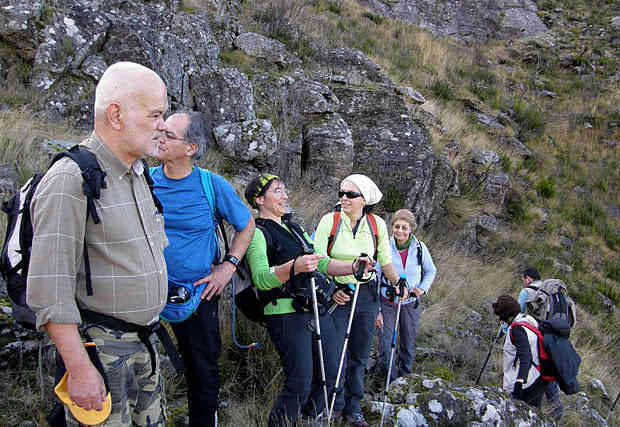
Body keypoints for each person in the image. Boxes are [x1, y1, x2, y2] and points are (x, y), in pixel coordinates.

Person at [27, 62, 170, 426]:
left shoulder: (138, 176)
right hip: (100, 355)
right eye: (155, 114)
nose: (162, 125)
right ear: (117, 115)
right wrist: (79, 369)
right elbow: (50, 290)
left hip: (145, 347)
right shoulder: (70, 180)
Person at [243, 173, 373, 427]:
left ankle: (309, 420)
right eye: (277, 191)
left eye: (284, 190)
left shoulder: (295, 228)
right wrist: (294, 267)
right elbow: (261, 278)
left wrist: (353, 267)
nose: (285, 195)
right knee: (300, 381)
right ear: (259, 200)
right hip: (284, 314)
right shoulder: (257, 233)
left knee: (332, 373)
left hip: (314, 309)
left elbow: (321, 262)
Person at [152, 111, 255, 426]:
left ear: (191, 148)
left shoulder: (212, 185)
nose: (159, 136)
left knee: (202, 369)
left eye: (169, 134)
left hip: (198, 294)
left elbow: (247, 225)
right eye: (161, 130)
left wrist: (228, 267)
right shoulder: (142, 179)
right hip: (146, 293)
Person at [314, 174, 403, 427]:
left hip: (366, 296)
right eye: (341, 193)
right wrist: (341, 279)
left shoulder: (377, 225)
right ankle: (334, 404)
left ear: (364, 199)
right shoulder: (328, 221)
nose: (344, 198)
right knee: (335, 353)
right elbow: (318, 259)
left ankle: (353, 408)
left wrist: (398, 282)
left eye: (350, 195)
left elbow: (385, 260)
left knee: (360, 354)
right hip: (337, 293)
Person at [375, 209, 436, 383]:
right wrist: (377, 310)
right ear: (392, 227)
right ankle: (388, 381)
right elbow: (376, 278)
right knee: (385, 345)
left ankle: (405, 379)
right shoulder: (384, 247)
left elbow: (431, 270)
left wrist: (422, 288)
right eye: (396, 226)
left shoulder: (420, 248)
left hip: (410, 303)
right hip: (386, 302)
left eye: (404, 227)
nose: (399, 231)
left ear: (411, 229)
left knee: (408, 343)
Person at [518, 267, 563, 420]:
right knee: (548, 371)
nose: (523, 283)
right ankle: (555, 408)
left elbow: (518, 315)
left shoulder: (527, 292)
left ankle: (526, 405)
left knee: (532, 368)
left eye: (523, 279)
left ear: (528, 278)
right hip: (553, 338)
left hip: (533, 338)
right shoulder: (550, 291)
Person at [493, 295, 548, 408]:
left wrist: (518, 384)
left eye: (501, 317)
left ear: (507, 316)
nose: (500, 320)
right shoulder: (529, 323)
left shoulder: (517, 329)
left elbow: (525, 356)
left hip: (526, 384)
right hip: (538, 378)